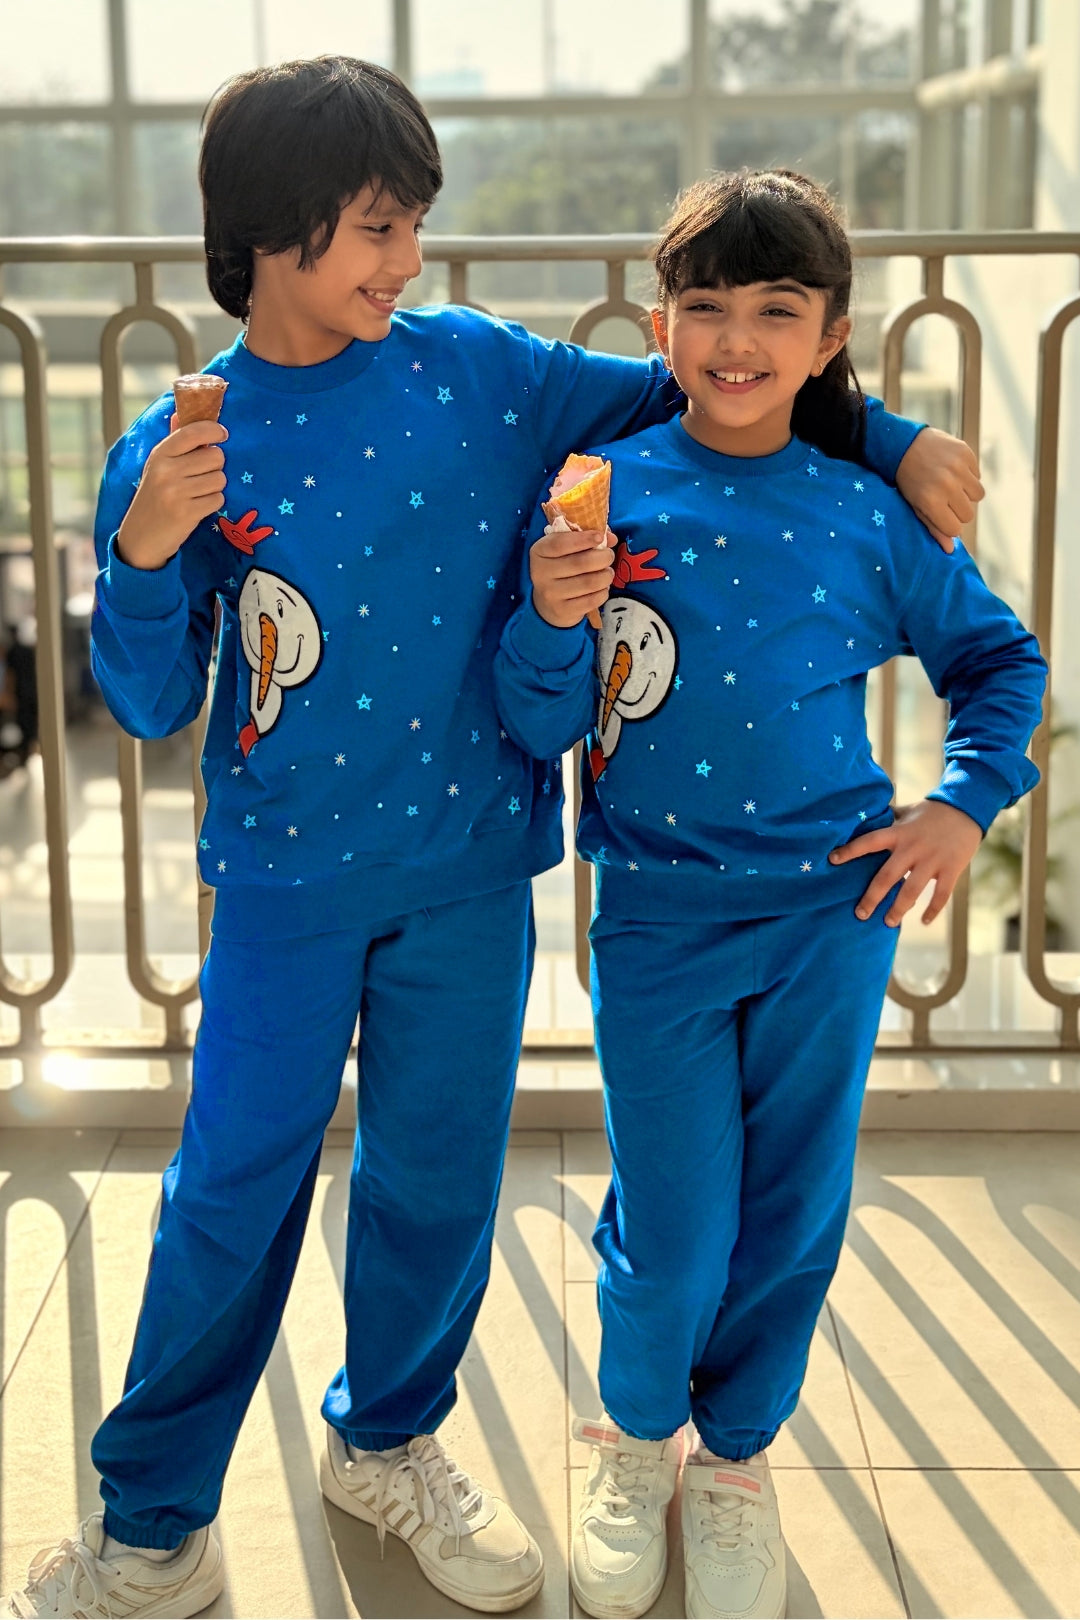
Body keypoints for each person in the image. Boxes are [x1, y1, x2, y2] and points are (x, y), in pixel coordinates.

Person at [5, 54, 978, 1618]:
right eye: (379, 227)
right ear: (273, 227)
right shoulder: (183, 445)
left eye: (414, 223)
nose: (410, 259)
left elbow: (715, 389)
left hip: (468, 875)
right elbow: (147, 697)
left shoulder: (480, 369)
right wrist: (139, 548)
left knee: (438, 1184)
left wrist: (890, 432)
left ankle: (388, 1441)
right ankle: (151, 1529)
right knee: (230, 1195)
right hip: (285, 887)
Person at [494, 169, 1047, 1620]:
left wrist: (958, 807)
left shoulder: (868, 513)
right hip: (656, 919)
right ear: (661, 327)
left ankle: (737, 1458)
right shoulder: (599, 494)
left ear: (830, 338)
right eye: (706, 308)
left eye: (777, 312)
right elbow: (540, 718)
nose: (737, 340)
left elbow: (1002, 664)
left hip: (831, 920)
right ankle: (636, 1437)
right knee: (676, 1223)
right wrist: (552, 613)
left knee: (793, 1209)